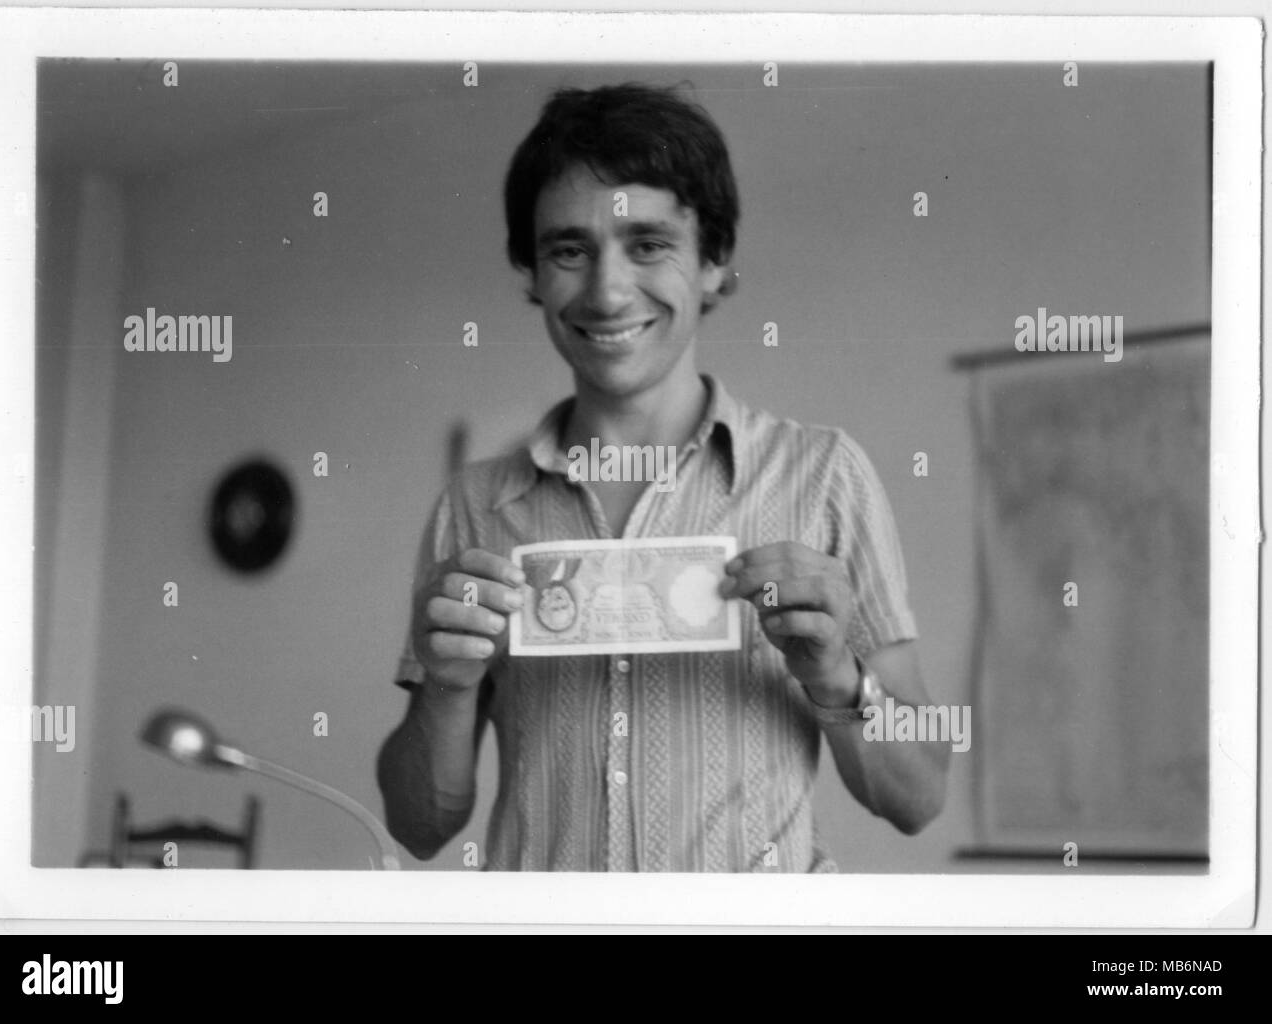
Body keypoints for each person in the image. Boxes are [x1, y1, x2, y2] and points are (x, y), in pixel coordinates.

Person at [377, 83, 948, 871]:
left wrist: (835, 674)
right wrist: (445, 689)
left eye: (648, 244)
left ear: (713, 264)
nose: (608, 292)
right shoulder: (474, 505)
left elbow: (919, 798)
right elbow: (418, 825)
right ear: (535, 274)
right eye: (569, 249)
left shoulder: (825, 476)